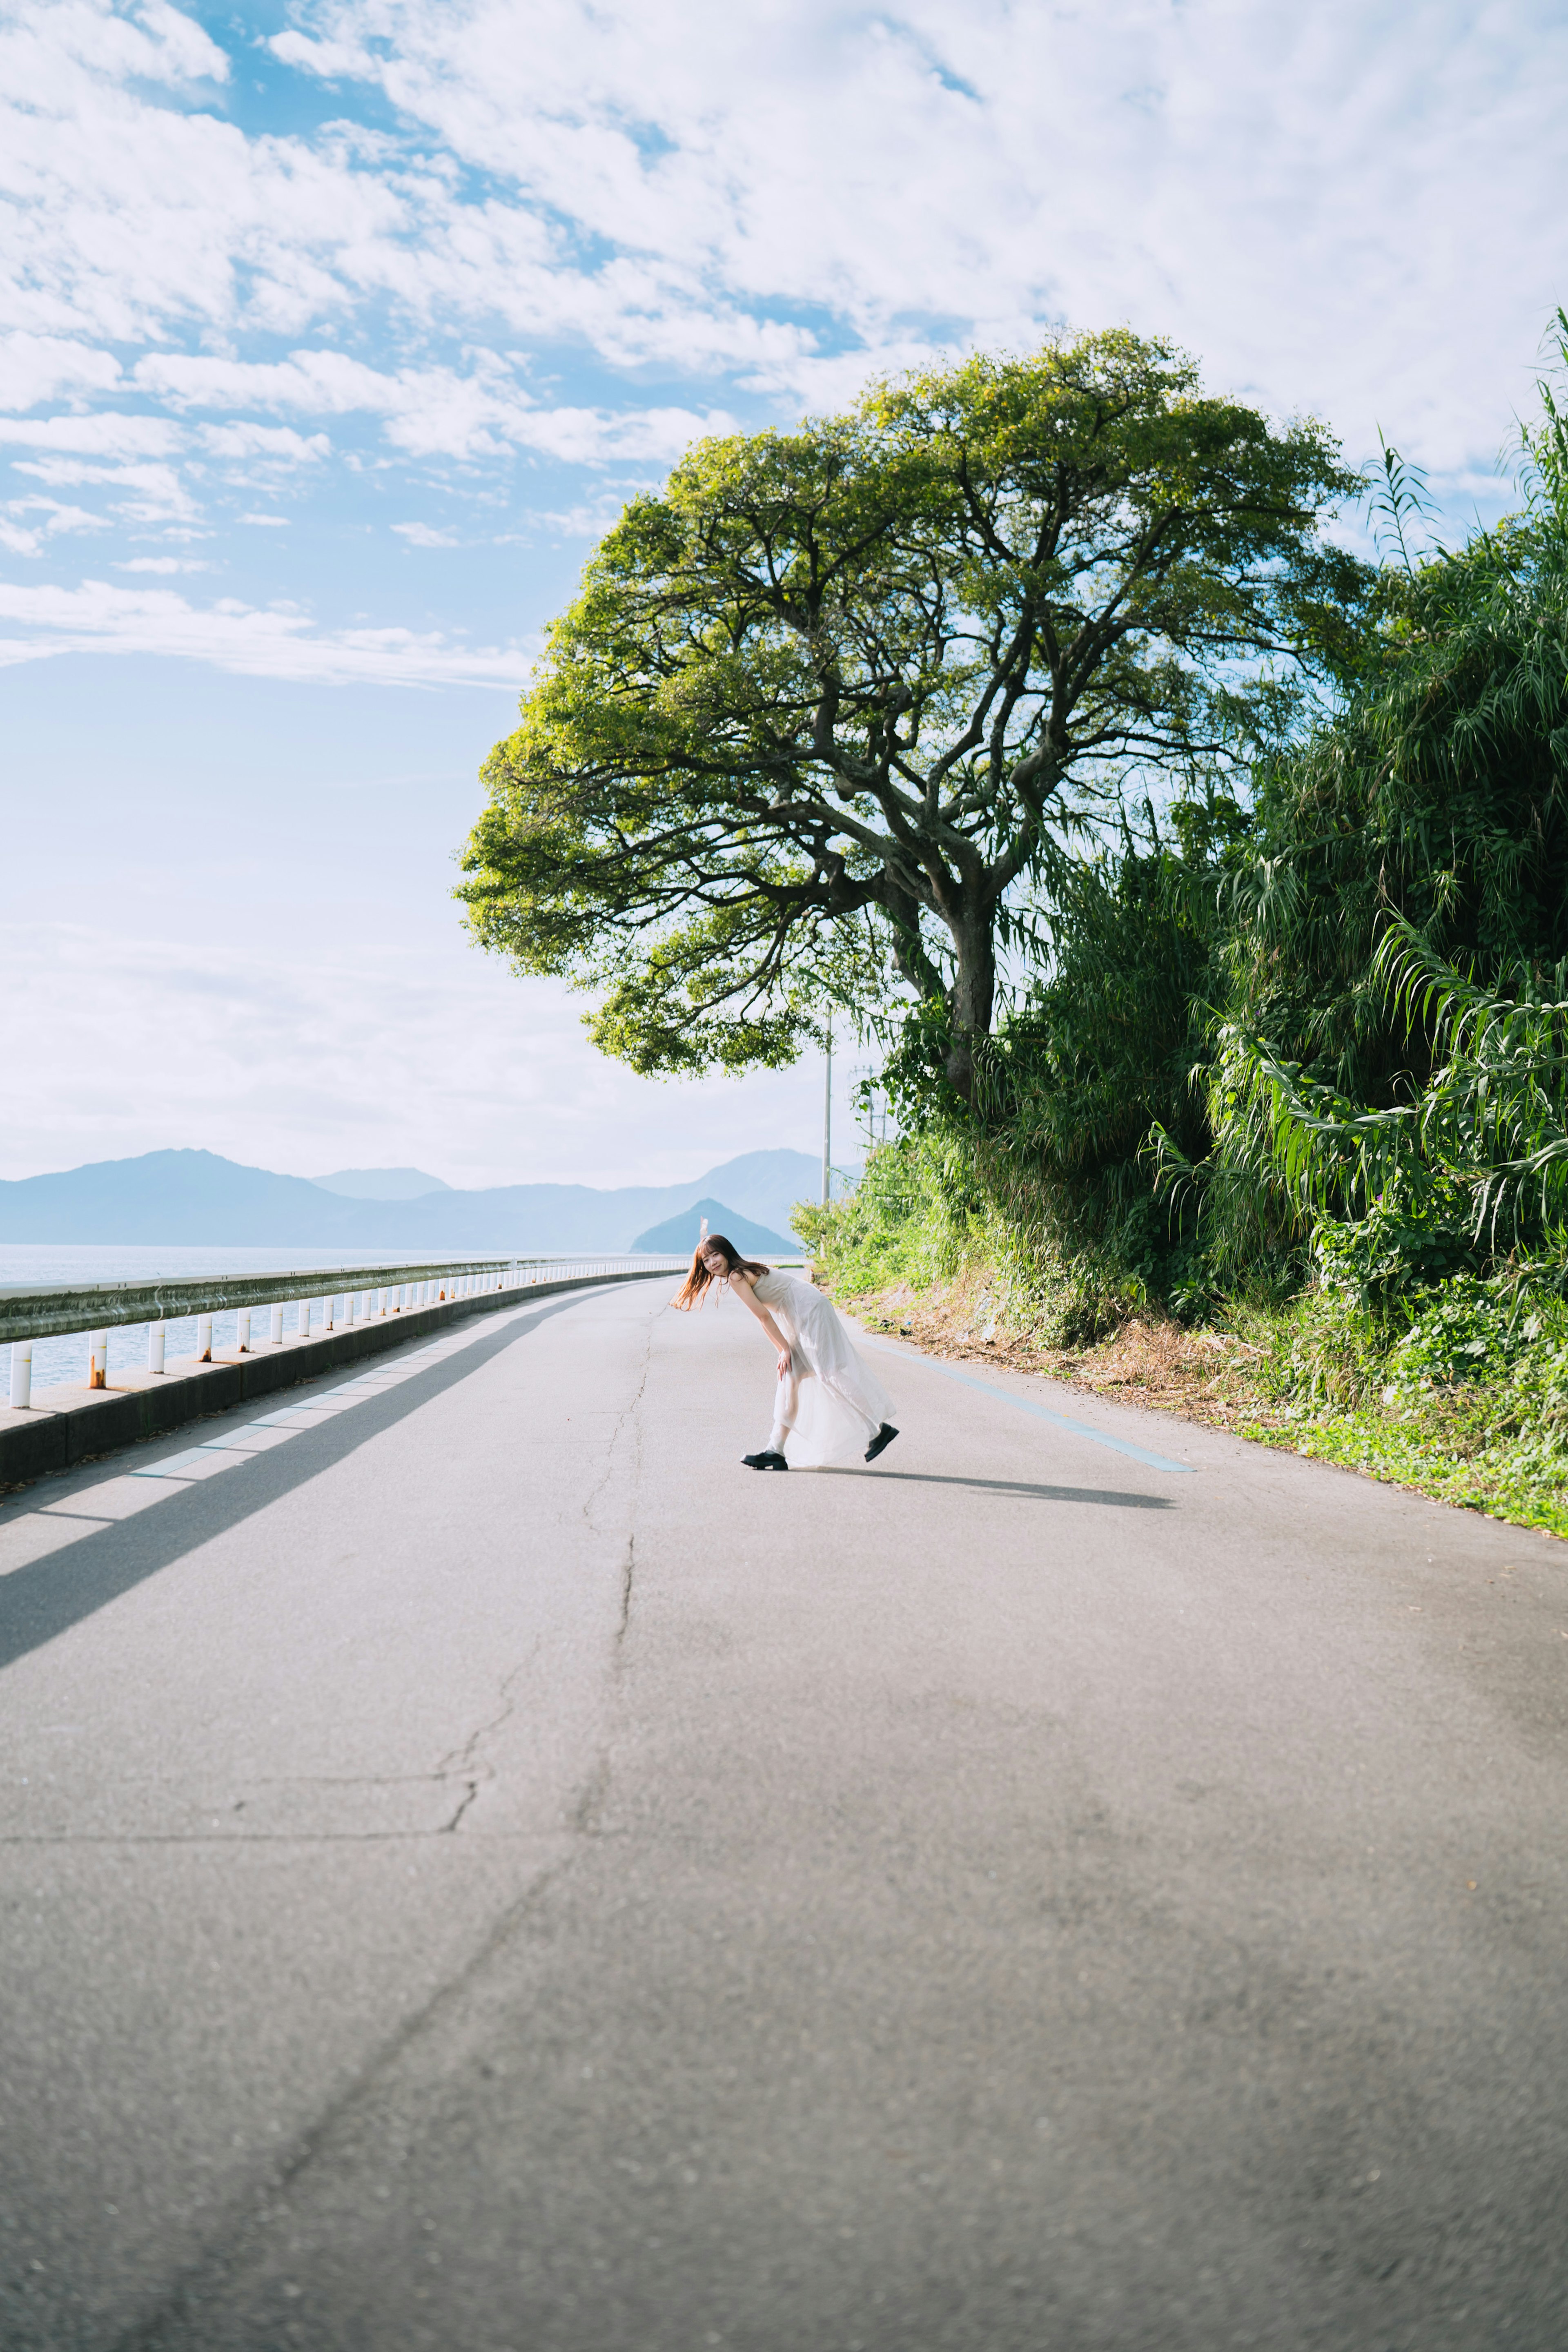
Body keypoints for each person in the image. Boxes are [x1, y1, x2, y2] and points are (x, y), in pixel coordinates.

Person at [673, 1235, 898, 1471]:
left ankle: (878, 1429)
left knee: (829, 1373)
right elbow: (770, 1316)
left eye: (715, 1255)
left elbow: (763, 1317)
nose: (712, 1263)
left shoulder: (737, 1275)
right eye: (706, 1260)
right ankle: (775, 1451)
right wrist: (784, 1352)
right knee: (789, 1377)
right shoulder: (742, 1270)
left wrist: (784, 1349)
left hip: (808, 1311)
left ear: (727, 1252)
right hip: (802, 1311)